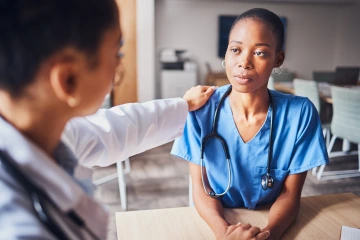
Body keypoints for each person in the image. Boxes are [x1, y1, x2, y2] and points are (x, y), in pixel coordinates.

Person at [0, 0, 218, 239]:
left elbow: (114, 128)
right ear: (68, 79)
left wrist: (184, 106)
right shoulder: (17, 227)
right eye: (117, 54)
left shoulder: (45, 130)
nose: (118, 67)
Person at [171, 8, 329, 240]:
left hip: (272, 217)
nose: (244, 62)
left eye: (260, 53)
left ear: (278, 59)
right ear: (226, 53)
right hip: (217, 215)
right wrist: (223, 232)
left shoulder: (300, 113)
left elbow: (289, 196)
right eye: (235, 49)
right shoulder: (199, 109)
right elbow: (201, 189)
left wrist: (267, 235)